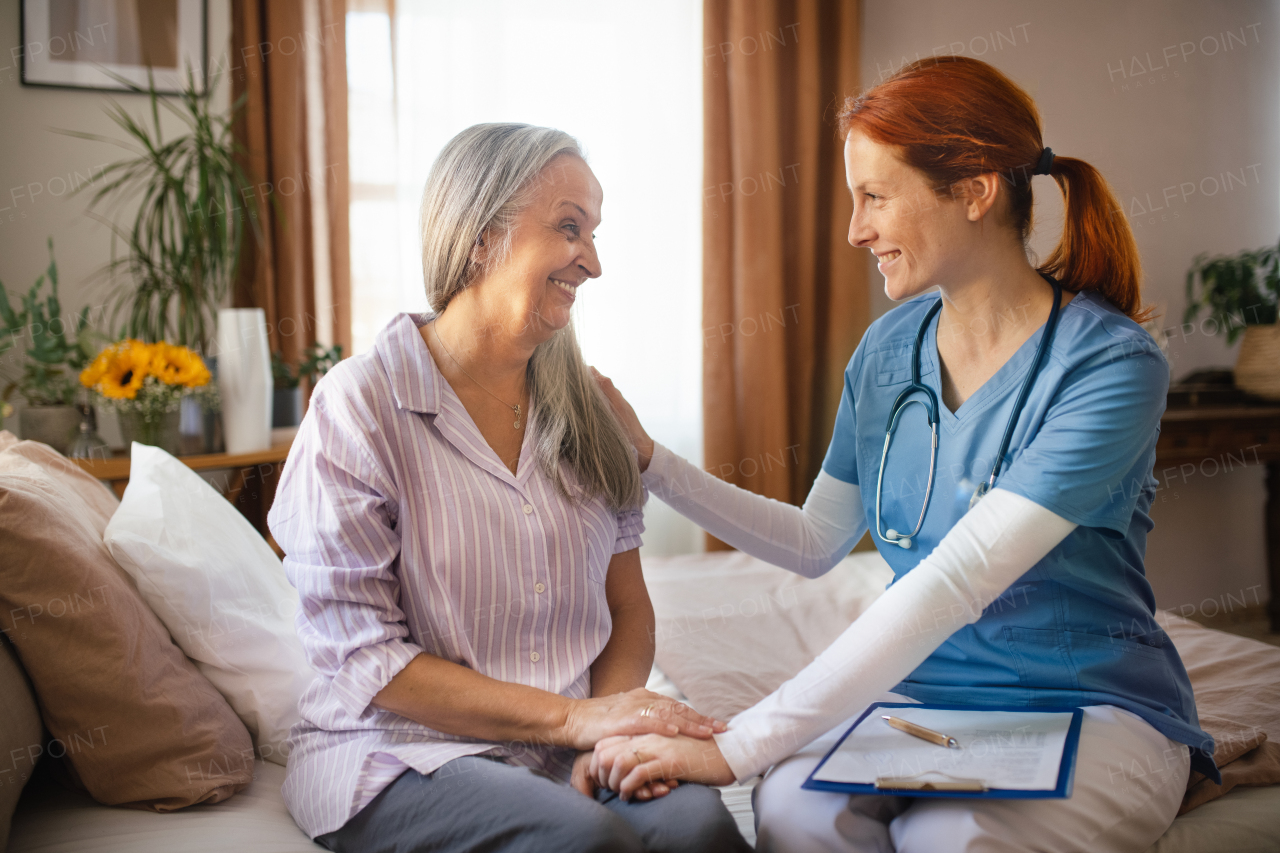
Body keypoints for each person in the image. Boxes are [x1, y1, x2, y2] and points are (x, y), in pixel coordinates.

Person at [588, 56, 1218, 852]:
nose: (855, 230)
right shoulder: (889, 350)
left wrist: (735, 745)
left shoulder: (1110, 365)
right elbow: (817, 541)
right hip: (926, 704)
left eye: (875, 197)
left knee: (954, 836)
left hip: (1090, 706)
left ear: (975, 189)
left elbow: (959, 576)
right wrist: (651, 459)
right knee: (792, 810)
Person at [268, 123, 751, 853]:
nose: (592, 260)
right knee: (583, 840)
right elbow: (368, 659)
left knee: (700, 830)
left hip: (569, 742)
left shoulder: (590, 410)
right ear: (480, 236)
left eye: (592, 232)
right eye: (569, 227)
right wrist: (571, 721)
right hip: (402, 748)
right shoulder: (360, 407)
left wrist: (608, 723)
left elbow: (627, 605)